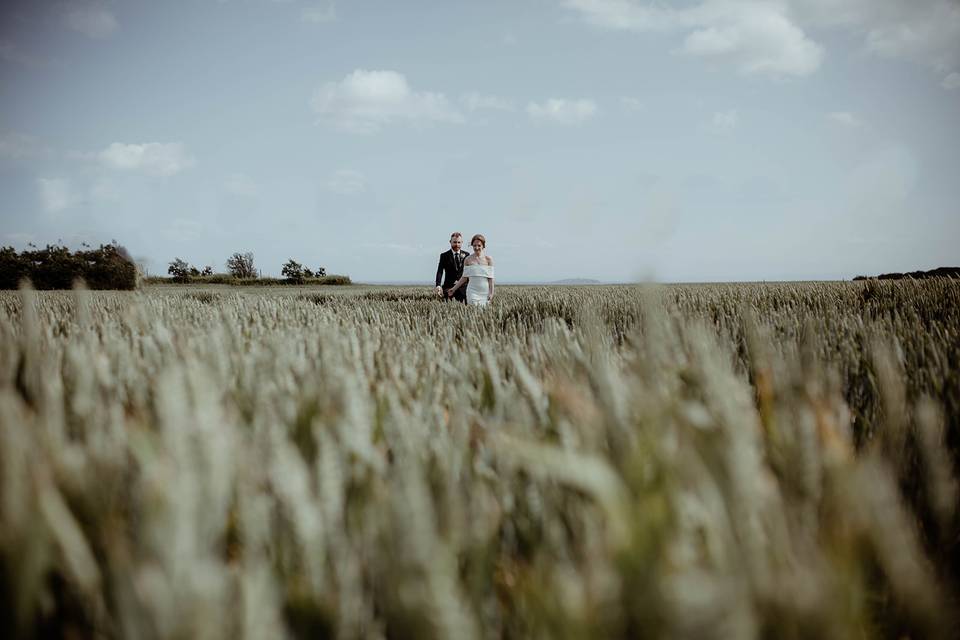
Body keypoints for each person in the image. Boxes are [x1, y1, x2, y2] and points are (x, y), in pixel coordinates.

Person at [447, 234, 494, 307]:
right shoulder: (468, 259)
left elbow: (491, 279)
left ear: (483, 246)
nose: (476, 248)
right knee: (473, 311)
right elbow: (464, 277)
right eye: (474, 245)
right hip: (472, 292)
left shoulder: (489, 260)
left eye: (479, 245)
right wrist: (453, 289)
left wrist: (491, 293)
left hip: (485, 292)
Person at [435, 232, 469, 304]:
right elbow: (440, 271)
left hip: (463, 287)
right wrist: (438, 285)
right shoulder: (444, 256)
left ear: (462, 242)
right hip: (449, 286)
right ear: (450, 242)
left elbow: (469, 272)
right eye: (454, 242)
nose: (457, 245)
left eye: (459, 242)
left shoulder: (467, 255)